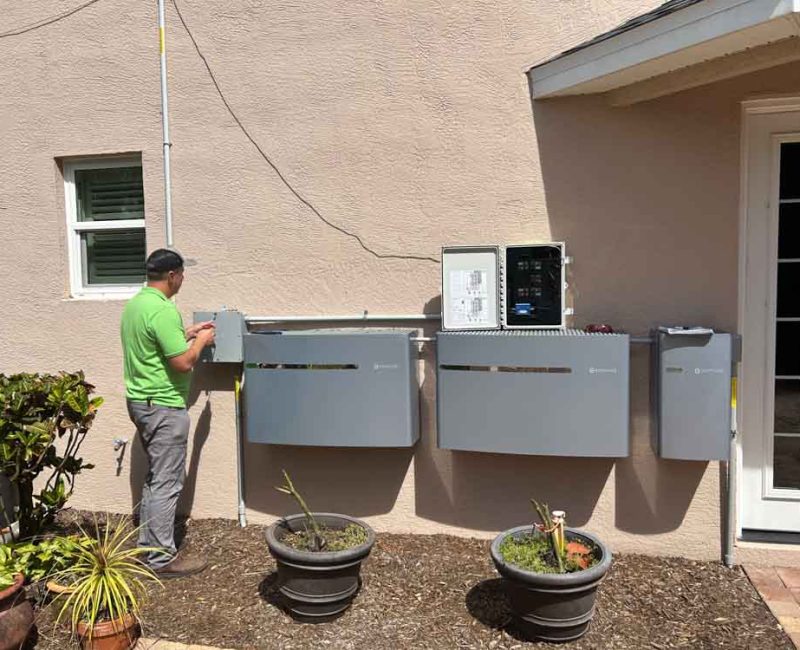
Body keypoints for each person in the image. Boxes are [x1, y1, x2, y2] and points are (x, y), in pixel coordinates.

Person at [120, 248, 216, 578]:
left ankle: (148, 549)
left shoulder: (137, 305)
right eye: (182, 274)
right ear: (172, 275)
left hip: (141, 402)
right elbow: (182, 362)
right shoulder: (162, 310)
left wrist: (186, 334)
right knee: (167, 482)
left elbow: (155, 346)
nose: (183, 279)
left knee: (155, 479)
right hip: (162, 406)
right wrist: (202, 341)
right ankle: (161, 559)